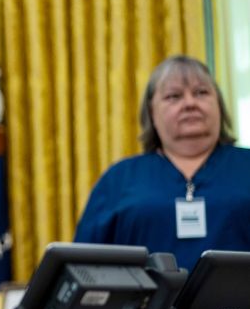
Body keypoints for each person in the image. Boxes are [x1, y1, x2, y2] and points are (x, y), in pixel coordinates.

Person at [74, 55, 250, 270]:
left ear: (220, 105)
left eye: (201, 92)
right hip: (144, 303)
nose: (190, 103)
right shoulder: (118, 179)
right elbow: (82, 264)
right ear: (151, 112)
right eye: (174, 96)